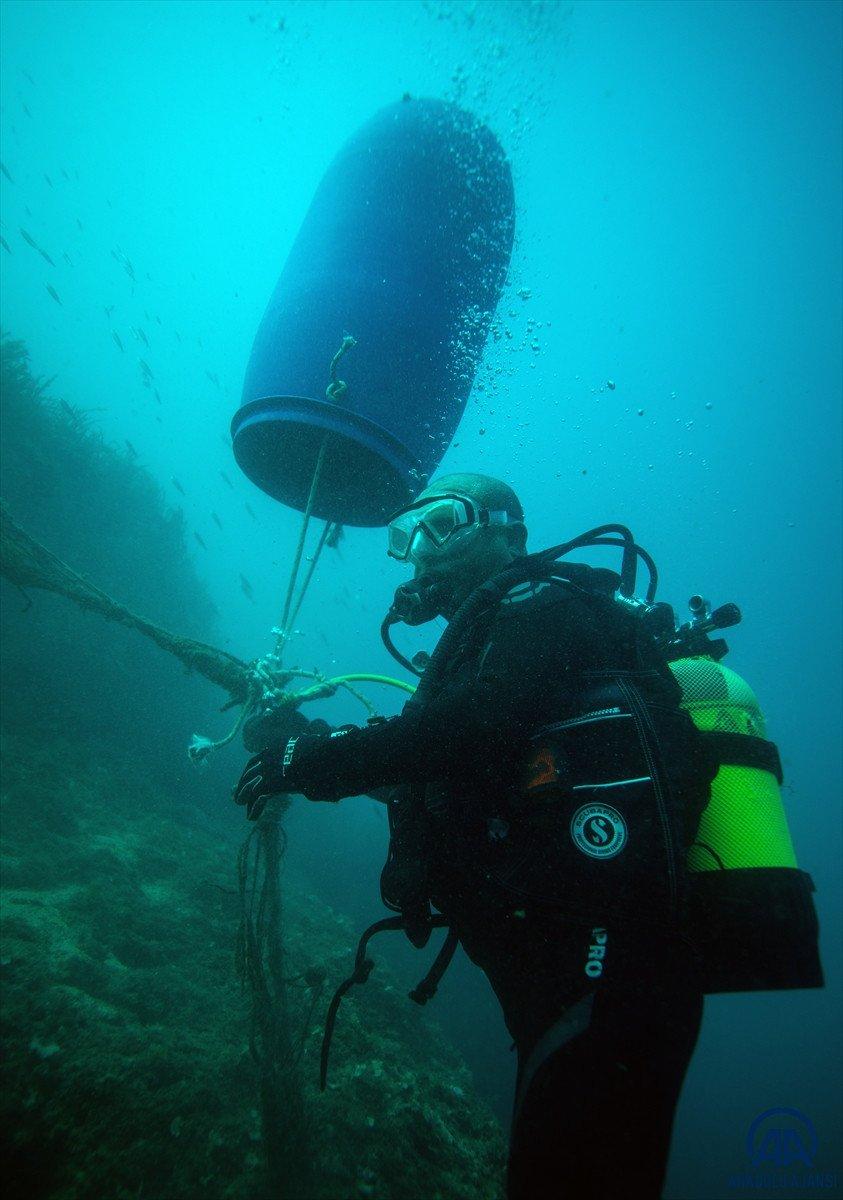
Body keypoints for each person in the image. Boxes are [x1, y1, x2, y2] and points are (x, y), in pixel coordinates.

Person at [234, 472, 716, 1199]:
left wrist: (313, 760)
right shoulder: (493, 645)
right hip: (567, 966)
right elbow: (439, 769)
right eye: (406, 536)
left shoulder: (546, 604)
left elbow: (467, 730)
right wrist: (304, 740)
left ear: (509, 535)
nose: (420, 550)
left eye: (443, 523)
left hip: (608, 967)